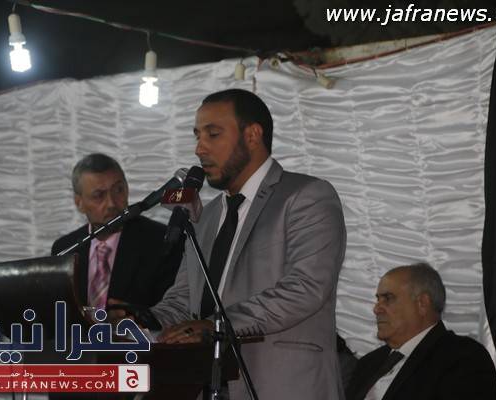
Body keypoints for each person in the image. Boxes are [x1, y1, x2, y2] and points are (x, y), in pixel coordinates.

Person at [145, 88, 347, 400]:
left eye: (213, 134)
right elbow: (185, 300)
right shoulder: (206, 217)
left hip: (283, 387)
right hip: (207, 384)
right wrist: (140, 321)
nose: (199, 148)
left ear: (252, 135)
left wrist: (217, 325)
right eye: (197, 136)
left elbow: (306, 287)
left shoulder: (307, 197)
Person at [51, 153, 184, 312]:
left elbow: (174, 310)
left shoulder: (162, 242)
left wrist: (137, 316)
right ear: (79, 203)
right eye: (99, 195)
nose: (111, 203)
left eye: (118, 190)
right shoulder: (64, 248)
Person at [345, 263, 496, 400]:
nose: (376, 309)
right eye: (378, 299)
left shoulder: (463, 358)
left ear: (422, 303)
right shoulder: (368, 363)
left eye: (388, 298)